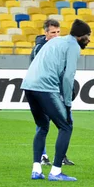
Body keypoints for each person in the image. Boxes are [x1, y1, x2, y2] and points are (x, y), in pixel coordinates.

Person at [22, 19, 90, 181]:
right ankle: (56, 171)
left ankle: (36, 170)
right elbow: (68, 77)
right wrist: (67, 103)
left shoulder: (57, 41)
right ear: (80, 36)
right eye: (88, 36)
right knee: (66, 126)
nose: (89, 40)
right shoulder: (73, 46)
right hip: (45, 87)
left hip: (28, 85)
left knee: (42, 126)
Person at [30, 19, 75, 167]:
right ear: (46, 33)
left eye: (58, 32)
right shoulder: (40, 48)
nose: (56, 35)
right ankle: (42, 155)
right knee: (44, 124)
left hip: (58, 91)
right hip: (44, 90)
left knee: (65, 123)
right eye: (53, 32)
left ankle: (60, 156)